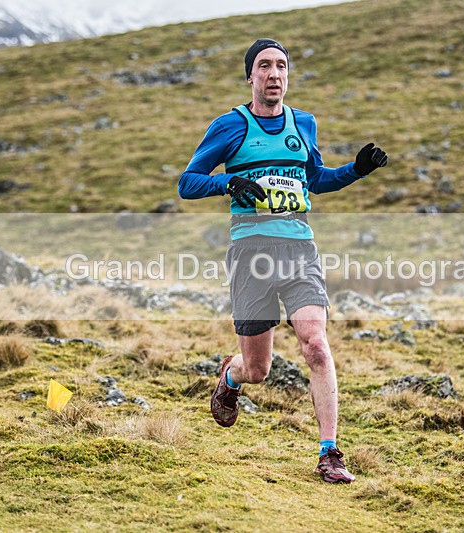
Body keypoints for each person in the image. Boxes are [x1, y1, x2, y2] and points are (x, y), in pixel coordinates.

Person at [178, 38, 388, 484]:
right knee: (259, 370)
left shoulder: (304, 124)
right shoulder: (230, 126)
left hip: (299, 250)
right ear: (250, 76)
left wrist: (357, 169)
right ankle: (231, 378)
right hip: (250, 256)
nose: (275, 74)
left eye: (282, 66)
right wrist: (230, 184)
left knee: (315, 343)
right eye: (265, 66)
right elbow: (188, 182)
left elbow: (315, 180)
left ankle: (330, 453)